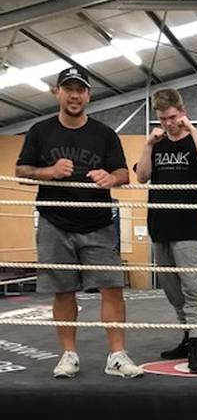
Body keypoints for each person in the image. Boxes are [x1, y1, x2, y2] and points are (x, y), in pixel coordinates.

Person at [15, 65, 143, 379]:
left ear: (88, 94)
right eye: (69, 88)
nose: (75, 95)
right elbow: (21, 171)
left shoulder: (104, 134)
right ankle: (69, 355)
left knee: (112, 288)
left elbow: (124, 174)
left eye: (81, 89)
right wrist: (49, 171)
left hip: (98, 223)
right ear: (57, 92)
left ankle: (116, 355)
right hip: (54, 222)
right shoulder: (40, 131)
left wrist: (109, 177)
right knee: (63, 291)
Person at [135, 88, 197, 373]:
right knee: (172, 291)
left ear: (182, 112)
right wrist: (148, 145)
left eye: (172, 117)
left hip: (190, 227)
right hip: (160, 226)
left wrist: (193, 131)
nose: (168, 123)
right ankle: (187, 335)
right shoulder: (156, 144)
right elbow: (142, 176)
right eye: (162, 119)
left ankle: (196, 345)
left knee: (194, 289)